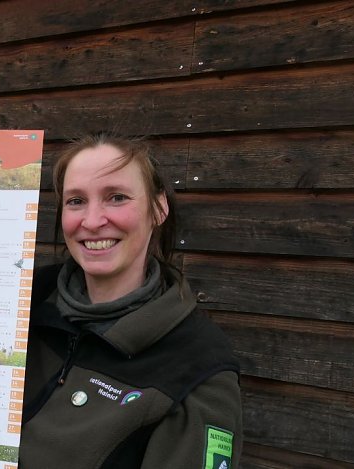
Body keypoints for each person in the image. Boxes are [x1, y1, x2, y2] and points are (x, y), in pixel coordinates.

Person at [19, 132, 242, 468]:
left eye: (117, 197)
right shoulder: (22, 300)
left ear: (159, 207)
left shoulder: (198, 367)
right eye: (76, 201)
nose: (92, 221)